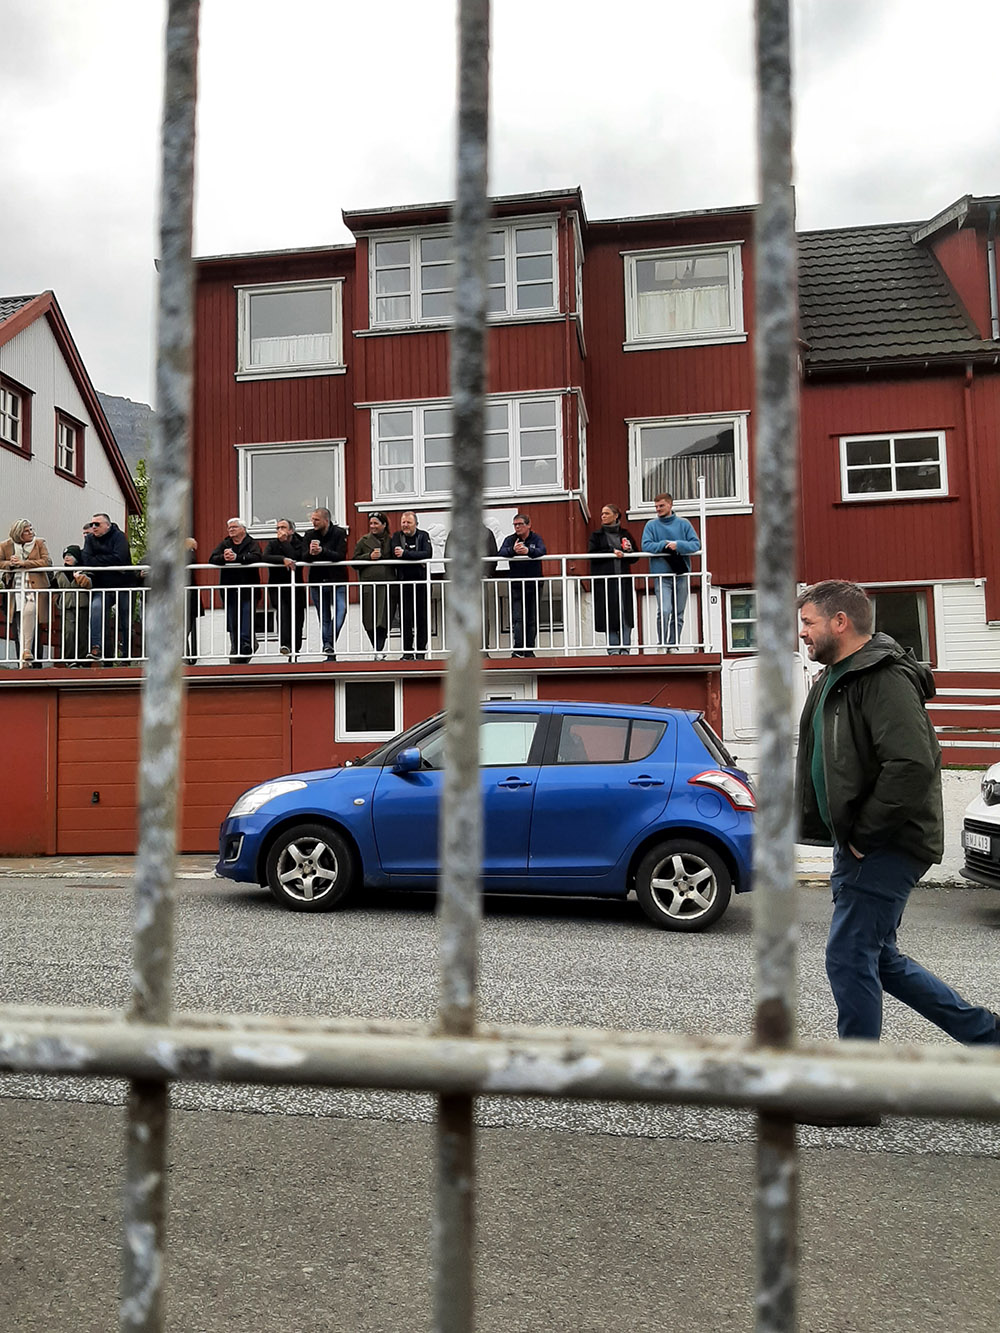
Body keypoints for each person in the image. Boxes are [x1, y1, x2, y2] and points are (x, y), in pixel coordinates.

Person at [796, 580, 1000, 1125]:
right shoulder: (836, 677)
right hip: (859, 842)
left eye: (810, 622)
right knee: (879, 959)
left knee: (847, 956)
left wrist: (865, 832)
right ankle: (990, 1039)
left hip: (884, 844)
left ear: (841, 622)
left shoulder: (882, 678)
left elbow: (911, 763)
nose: (803, 631)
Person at [641, 492, 700, 649]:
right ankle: (662, 643)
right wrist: (663, 544)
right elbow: (646, 546)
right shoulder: (651, 525)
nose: (658, 509)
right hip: (661, 575)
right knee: (665, 610)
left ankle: (673, 644)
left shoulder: (684, 524)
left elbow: (696, 545)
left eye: (661, 506)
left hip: (681, 574)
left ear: (670, 505)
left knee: (679, 613)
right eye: (656, 507)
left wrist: (678, 545)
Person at [82, 512, 134, 664]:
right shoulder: (90, 539)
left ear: (107, 525)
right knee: (96, 609)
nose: (94, 527)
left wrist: (97, 560)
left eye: (97, 524)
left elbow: (120, 558)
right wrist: (107, 562)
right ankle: (97, 648)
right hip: (103, 584)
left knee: (125, 620)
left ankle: (127, 655)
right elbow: (86, 560)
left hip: (125, 584)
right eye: (92, 524)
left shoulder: (119, 537)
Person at [587, 503, 639, 654]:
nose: (603, 516)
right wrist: (611, 551)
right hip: (605, 581)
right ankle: (613, 648)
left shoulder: (625, 534)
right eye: (602, 513)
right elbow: (592, 553)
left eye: (607, 513)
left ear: (616, 516)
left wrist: (629, 550)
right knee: (609, 612)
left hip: (623, 580)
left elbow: (634, 557)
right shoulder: (596, 536)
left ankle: (625, 648)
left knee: (625, 613)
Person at [209, 517, 262, 665]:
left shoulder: (252, 543)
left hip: (248, 588)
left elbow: (257, 557)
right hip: (230, 588)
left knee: (247, 617)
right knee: (233, 620)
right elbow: (212, 559)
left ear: (243, 529)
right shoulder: (225, 543)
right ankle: (236, 647)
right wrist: (223, 558)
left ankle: (246, 644)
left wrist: (238, 558)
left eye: (234, 527)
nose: (231, 530)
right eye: (229, 528)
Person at [0, 519, 52, 668]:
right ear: (18, 534)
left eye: (31, 529)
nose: (31, 532)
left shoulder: (39, 543)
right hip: (16, 589)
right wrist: (9, 564)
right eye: (27, 531)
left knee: (34, 621)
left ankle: (34, 661)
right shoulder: (6, 546)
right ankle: (22, 661)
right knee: (18, 626)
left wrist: (25, 563)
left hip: (34, 589)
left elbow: (46, 562)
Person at [444, 521, 500, 650]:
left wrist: (487, 574)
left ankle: (482, 649)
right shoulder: (454, 534)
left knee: (482, 615)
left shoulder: (486, 533)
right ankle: (463, 650)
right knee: (461, 615)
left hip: (480, 581)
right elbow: (448, 556)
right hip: (460, 583)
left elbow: (492, 555)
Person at [497, 514, 546, 657]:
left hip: (534, 583)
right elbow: (501, 552)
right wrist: (513, 551)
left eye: (520, 524)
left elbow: (542, 551)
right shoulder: (511, 539)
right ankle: (518, 649)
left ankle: (529, 650)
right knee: (518, 618)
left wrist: (528, 551)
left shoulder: (536, 538)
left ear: (529, 525)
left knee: (532, 618)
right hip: (517, 584)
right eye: (515, 525)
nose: (517, 527)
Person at [304, 507, 349, 661]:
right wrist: (311, 553)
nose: (313, 522)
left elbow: (340, 555)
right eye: (312, 519)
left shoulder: (339, 533)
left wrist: (322, 551)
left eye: (316, 519)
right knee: (323, 617)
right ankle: (329, 649)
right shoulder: (309, 535)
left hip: (337, 579)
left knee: (341, 611)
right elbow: (303, 557)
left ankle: (328, 642)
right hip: (317, 580)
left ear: (326, 520)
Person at [262, 519, 306, 658]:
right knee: (282, 613)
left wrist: (285, 543)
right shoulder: (272, 543)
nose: (279, 530)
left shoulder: (300, 542)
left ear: (291, 530)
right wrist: (282, 559)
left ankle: (296, 648)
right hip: (278, 585)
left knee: (297, 617)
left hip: (296, 586)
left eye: (283, 527)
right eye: (278, 528)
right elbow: (265, 557)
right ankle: (285, 644)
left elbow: (296, 558)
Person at [391, 511, 432, 659]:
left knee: (421, 617)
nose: (405, 525)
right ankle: (407, 651)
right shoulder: (397, 536)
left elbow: (427, 554)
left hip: (421, 582)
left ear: (416, 523)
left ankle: (421, 651)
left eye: (408, 522)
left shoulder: (423, 535)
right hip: (404, 582)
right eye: (403, 522)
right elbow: (394, 552)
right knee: (406, 618)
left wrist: (406, 554)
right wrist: (414, 556)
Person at [353, 512, 395, 658]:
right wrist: (368, 557)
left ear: (384, 525)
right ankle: (377, 648)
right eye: (371, 523)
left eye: (376, 523)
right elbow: (354, 561)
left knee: (383, 618)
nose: (373, 526)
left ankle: (379, 649)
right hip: (369, 586)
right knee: (369, 619)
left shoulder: (391, 540)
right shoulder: (363, 541)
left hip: (387, 585)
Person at [53, 544, 92, 667]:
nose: (67, 557)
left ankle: (82, 660)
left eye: (70, 555)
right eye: (65, 555)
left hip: (82, 605)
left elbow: (89, 584)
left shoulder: (84, 571)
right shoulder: (59, 573)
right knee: (68, 632)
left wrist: (79, 578)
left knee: (82, 633)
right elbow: (52, 588)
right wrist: (56, 601)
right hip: (66, 607)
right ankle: (70, 660)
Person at [183, 537, 204, 663]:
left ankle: (185, 660)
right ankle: (183, 660)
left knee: (184, 630)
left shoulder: (187, 552)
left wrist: (188, 548)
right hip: (171, 599)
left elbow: (191, 561)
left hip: (187, 596)